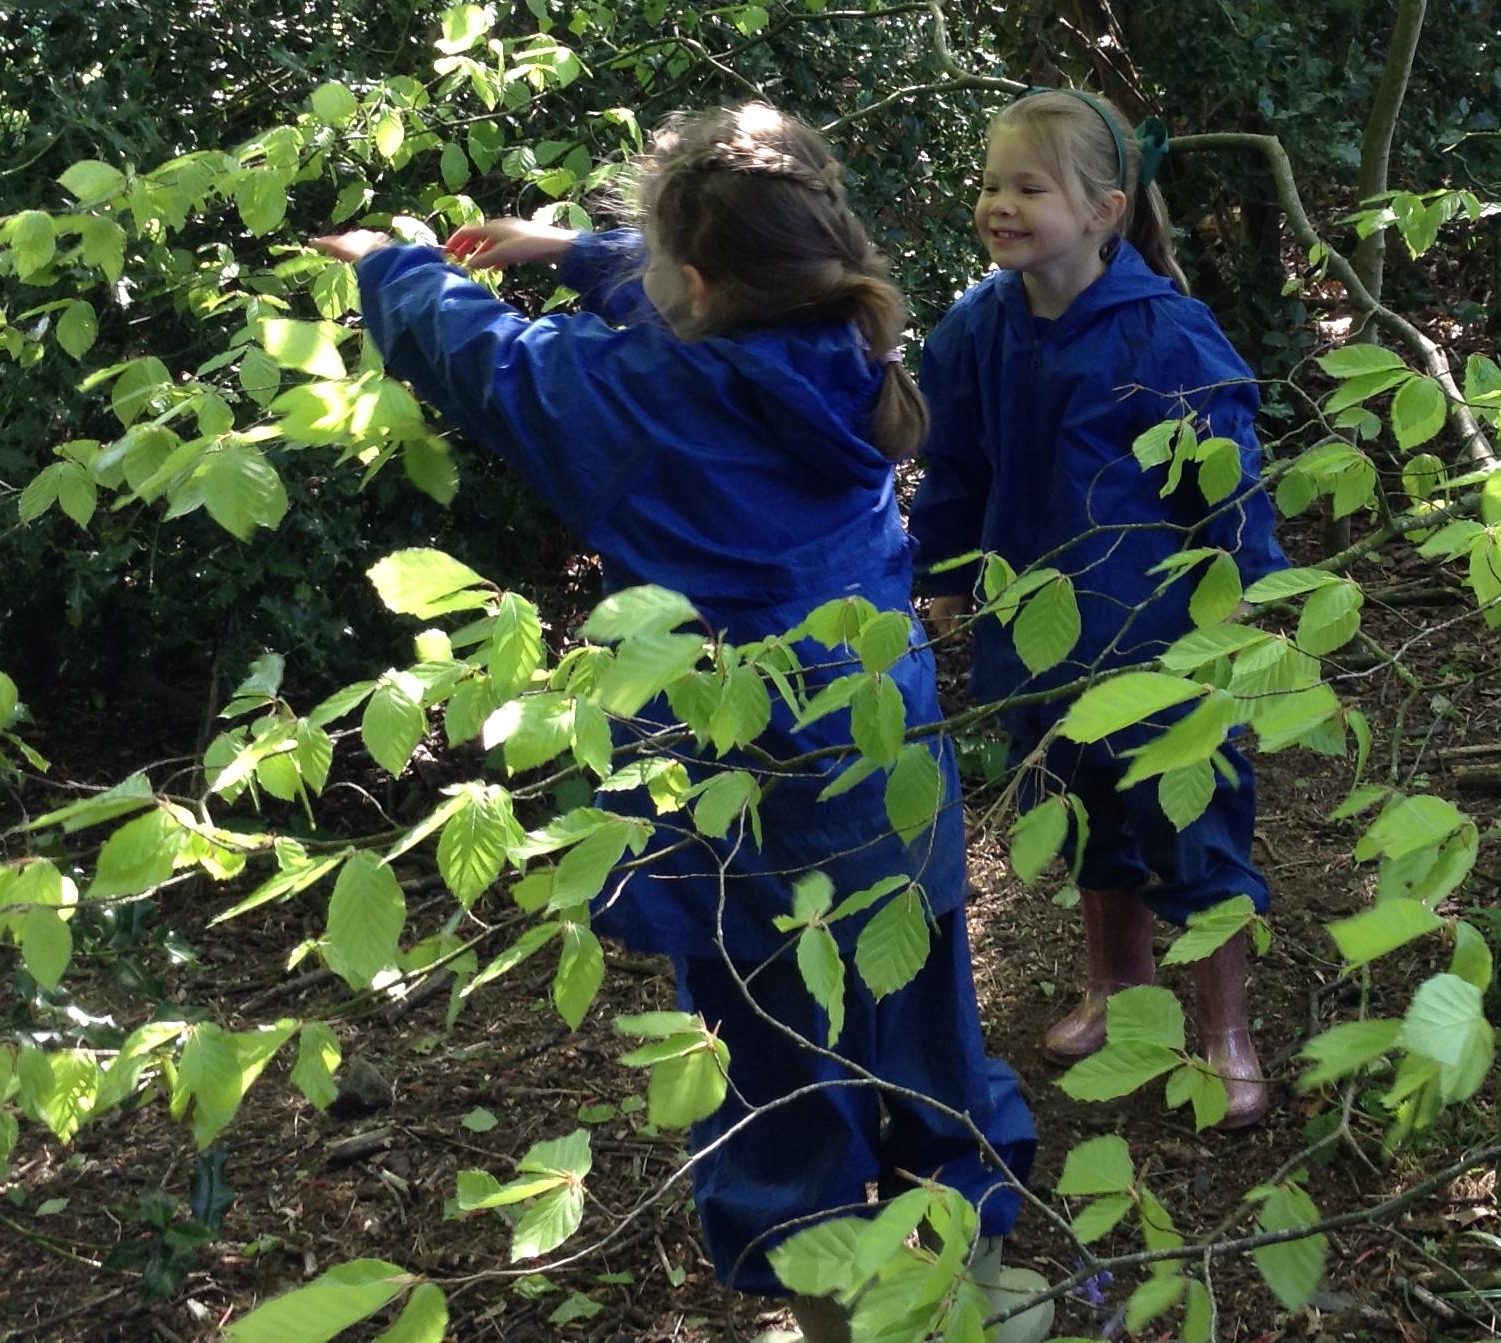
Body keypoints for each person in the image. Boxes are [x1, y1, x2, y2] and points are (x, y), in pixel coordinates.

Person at [310, 103, 1041, 1343]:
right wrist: (568, 251)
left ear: (694, 279)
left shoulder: (634, 402)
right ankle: (977, 1277)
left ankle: (838, 1319)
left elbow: (484, 358)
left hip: (733, 794)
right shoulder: (839, 338)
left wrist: (395, 267)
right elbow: (713, 296)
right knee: (923, 1017)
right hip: (883, 756)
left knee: (771, 1056)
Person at [909, 88, 1287, 1131]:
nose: (1001, 204)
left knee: (1194, 824)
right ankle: (1118, 985)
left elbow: (1228, 481)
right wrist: (944, 576)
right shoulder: (976, 329)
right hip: (1036, 644)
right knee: (1082, 817)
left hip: (1159, 643)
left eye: (1030, 187)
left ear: (1104, 209)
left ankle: (1223, 1029)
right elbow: (954, 466)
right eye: (992, 183)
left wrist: (1247, 601)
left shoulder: (1166, 334)